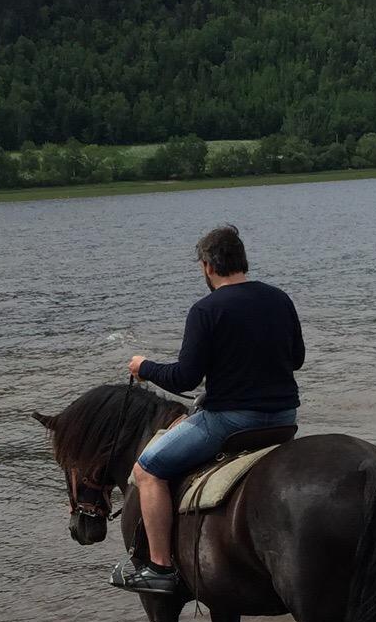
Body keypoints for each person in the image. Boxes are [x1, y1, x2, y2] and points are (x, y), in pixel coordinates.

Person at [112, 224, 304, 592]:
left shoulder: (206, 309)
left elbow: (185, 377)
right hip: (283, 420)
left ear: (207, 267)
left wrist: (144, 367)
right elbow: (296, 358)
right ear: (242, 261)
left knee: (148, 469)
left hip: (230, 422)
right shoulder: (279, 298)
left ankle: (160, 568)